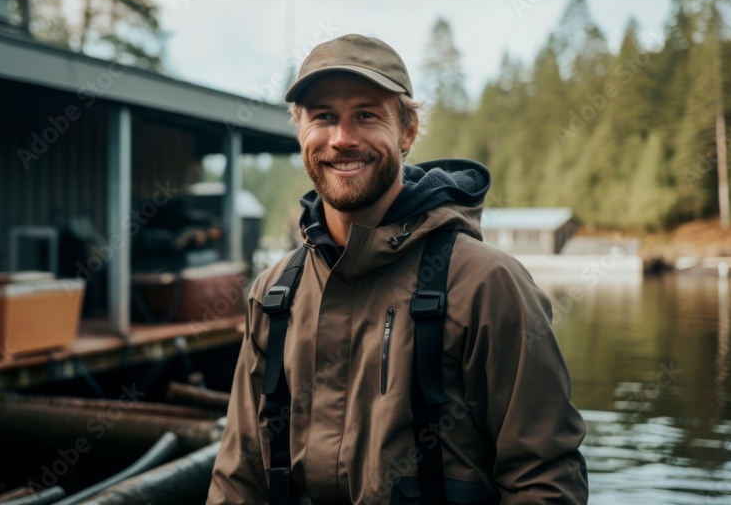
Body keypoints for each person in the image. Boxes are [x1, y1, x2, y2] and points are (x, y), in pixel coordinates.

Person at [207, 34, 589, 504]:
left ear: (407, 131)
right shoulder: (273, 292)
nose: (342, 139)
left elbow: (544, 478)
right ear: (301, 131)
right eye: (323, 116)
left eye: (366, 115)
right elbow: (239, 475)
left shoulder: (488, 284)